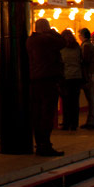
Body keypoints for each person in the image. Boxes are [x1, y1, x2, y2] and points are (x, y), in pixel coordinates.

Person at [27, 19, 66, 156]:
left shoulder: (30, 40)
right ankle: (45, 144)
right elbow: (62, 42)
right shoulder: (47, 39)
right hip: (48, 80)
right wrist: (53, 31)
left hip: (34, 81)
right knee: (47, 114)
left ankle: (40, 143)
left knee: (37, 114)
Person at [59, 29, 84, 130]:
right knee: (75, 101)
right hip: (77, 77)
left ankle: (66, 123)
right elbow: (81, 61)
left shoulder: (62, 49)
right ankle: (74, 123)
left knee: (66, 102)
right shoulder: (77, 47)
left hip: (66, 77)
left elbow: (60, 63)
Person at [78, 28, 94, 130]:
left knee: (90, 99)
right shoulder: (92, 46)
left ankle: (91, 121)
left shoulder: (86, 46)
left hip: (87, 75)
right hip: (92, 73)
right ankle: (91, 120)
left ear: (82, 36)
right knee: (91, 99)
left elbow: (85, 61)